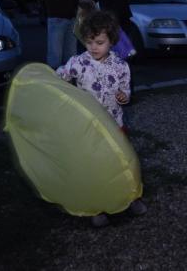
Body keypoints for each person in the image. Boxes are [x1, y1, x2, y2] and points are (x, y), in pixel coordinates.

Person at [56, 11, 147, 227]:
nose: (93, 47)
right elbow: (59, 76)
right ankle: (95, 206)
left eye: (99, 42)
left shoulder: (121, 66)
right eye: (89, 42)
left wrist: (124, 96)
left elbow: (126, 92)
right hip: (89, 128)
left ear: (112, 40)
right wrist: (49, 79)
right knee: (94, 167)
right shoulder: (77, 62)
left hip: (115, 125)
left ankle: (131, 197)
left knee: (123, 163)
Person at [35, 0, 78, 69]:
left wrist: (77, 11)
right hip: (56, 17)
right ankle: (55, 81)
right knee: (55, 56)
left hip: (71, 17)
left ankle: (70, 80)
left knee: (71, 54)